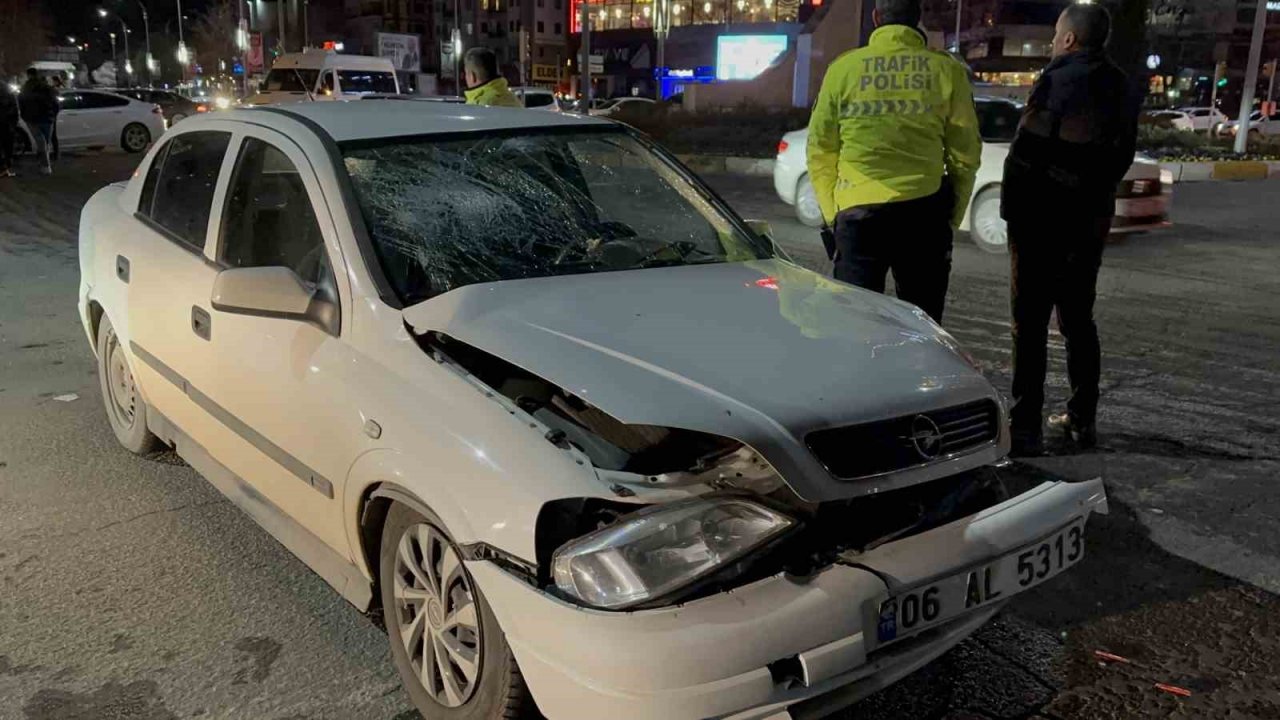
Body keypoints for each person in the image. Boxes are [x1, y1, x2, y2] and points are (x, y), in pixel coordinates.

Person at [1002, 3, 1138, 455]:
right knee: (1078, 321)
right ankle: (1082, 419)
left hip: (1042, 222)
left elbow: (1027, 152)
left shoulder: (1056, 80)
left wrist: (1013, 213)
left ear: (1069, 39)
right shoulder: (1121, 85)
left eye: (1057, 34)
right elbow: (1120, 156)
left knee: (1031, 324)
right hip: (1089, 220)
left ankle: (1024, 427)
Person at [807, 0, 982, 324]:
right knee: (923, 327)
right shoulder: (946, 71)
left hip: (858, 214)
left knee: (855, 326)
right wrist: (951, 218)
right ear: (918, 20)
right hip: (924, 212)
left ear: (876, 18)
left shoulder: (844, 69)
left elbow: (820, 148)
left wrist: (834, 212)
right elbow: (965, 155)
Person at [18, 69, 58, 175]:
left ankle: (45, 165)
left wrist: (24, 116)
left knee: (41, 142)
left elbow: (21, 102)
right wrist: (53, 115)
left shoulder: (26, 88)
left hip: (32, 119)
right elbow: (55, 102)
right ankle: (43, 163)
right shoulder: (46, 87)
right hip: (47, 118)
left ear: (28, 75)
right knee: (45, 142)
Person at [0, 83, 18, 177]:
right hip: (7, 125)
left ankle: (3, 169)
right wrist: (13, 125)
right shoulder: (10, 95)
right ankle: (5, 169)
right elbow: (15, 110)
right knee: (8, 148)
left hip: (6, 124)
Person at [49, 74, 64, 161]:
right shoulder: (55, 90)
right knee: (53, 136)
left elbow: (57, 105)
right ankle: (55, 154)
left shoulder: (56, 91)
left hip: (53, 116)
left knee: (53, 136)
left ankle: (56, 154)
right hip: (53, 115)